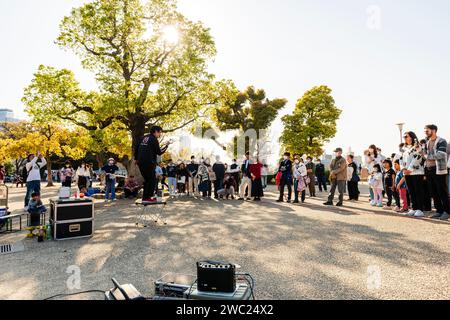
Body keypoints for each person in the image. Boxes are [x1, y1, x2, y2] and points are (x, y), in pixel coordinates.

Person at [134, 126, 171, 203]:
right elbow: (159, 152)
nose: (160, 134)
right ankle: (148, 197)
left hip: (140, 162)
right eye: (159, 132)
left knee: (147, 180)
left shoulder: (142, 137)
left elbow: (136, 148)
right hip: (149, 162)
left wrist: (136, 159)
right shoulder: (154, 139)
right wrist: (167, 145)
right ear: (155, 131)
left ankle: (145, 197)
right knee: (152, 179)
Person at [421, 125, 449, 220]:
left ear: (433, 130)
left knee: (442, 191)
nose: (425, 132)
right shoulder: (427, 142)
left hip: (439, 169)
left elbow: (441, 154)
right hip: (429, 170)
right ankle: (439, 211)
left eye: (427, 131)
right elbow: (423, 154)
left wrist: (427, 156)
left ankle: (447, 211)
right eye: (425, 131)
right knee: (433, 192)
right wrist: (424, 154)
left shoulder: (442, 141)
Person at [401, 131, 426, 218]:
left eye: (406, 136)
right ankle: (414, 208)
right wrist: (403, 169)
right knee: (411, 191)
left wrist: (410, 169)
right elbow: (402, 159)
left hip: (417, 172)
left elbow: (418, 158)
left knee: (418, 190)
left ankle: (420, 209)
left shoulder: (417, 146)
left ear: (411, 137)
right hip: (407, 173)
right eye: (404, 137)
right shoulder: (405, 148)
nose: (405, 138)